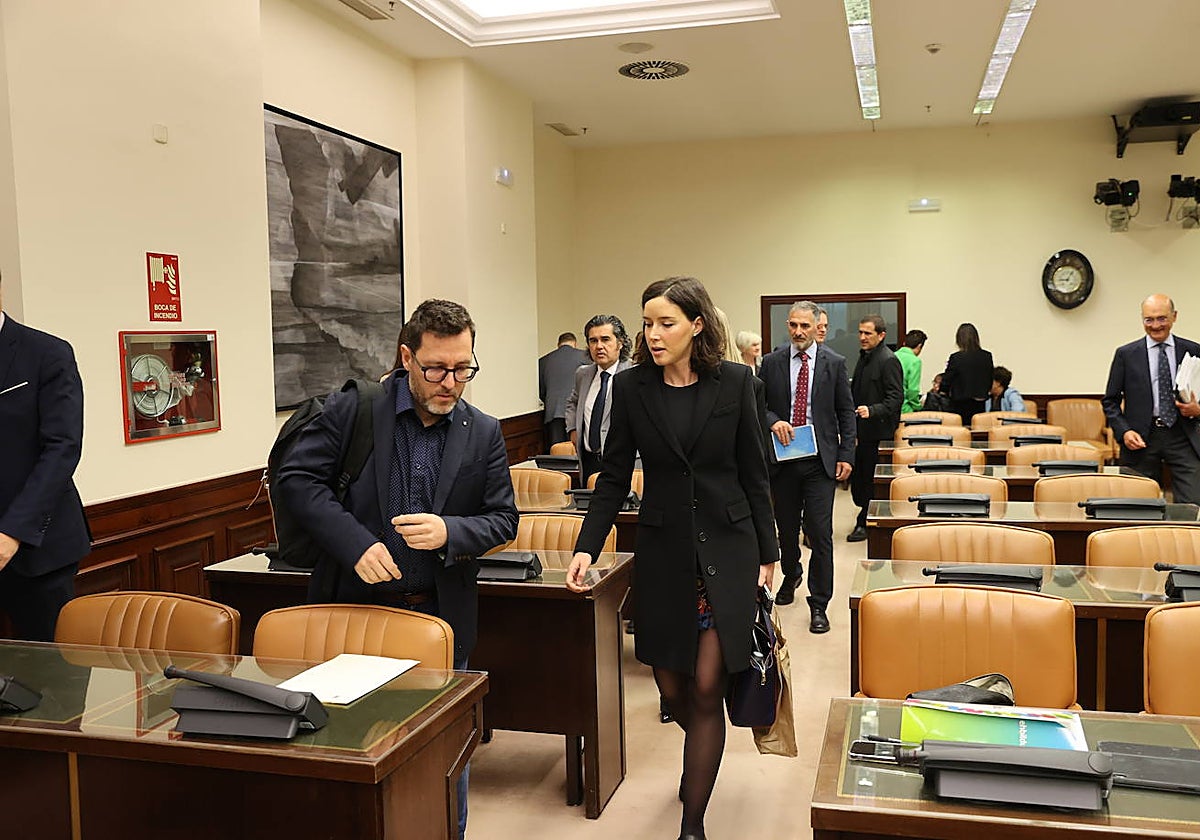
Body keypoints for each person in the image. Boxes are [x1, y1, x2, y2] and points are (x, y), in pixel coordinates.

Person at [277, 298, 518, 839]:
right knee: (353, 752)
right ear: (406, 356)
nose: (450, 382)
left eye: (464, 368)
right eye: (436, 368)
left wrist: (451, 532)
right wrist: (355, 544)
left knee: (444, 755)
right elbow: (297, 481)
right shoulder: (357, 409)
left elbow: (504, 519)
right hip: (354, 615)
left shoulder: (483, 432)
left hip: (439, 618)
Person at [566, 277, 777, 840]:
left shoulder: (736, 382)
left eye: (666, 323)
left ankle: (691, 824)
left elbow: (755, 473)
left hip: (728, 550)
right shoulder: (633, 387)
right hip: (663, 554)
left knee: (709, 685)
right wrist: (587, 546)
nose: (653, 335)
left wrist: (769, 552)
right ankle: (700, 743)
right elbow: (612, 478)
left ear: (697, 325)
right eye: (648, 323)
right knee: (673, 685)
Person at [0, 278, 90, 642]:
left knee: (58, 682)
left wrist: (12, 532)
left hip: (38, 552)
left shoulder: (46, 353)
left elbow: (62, 448)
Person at [758, 300, 855, 632]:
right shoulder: (771, 362)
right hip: (783, 461)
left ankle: (819, 603)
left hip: (819, 461)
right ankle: (791, 574)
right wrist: (773, 422)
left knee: (819, 532)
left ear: (818, 327)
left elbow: (845, 412)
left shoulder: (834, 363)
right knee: (785, 530)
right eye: (793, 325)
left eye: (805, 326)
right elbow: (759, 406)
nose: (798, 332)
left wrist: (846, 455)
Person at [1102, 293, 1200, 505]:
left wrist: (1197, 409)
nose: (1156, 325)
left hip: (1183, 435)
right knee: (1138, 506)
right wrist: (1124, 431)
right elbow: (1110, 402)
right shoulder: (1126, 354)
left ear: (1174, 316)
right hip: (1140, 439)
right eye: (1149, 319)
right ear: (1142, 319)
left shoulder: (1193, 351)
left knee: (1194, 505)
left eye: (1162, 318)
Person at [847, 316, 903, 542]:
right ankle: (863, 515)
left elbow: (896, 397)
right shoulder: (865, 357)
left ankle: (866, 521)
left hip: (879, 433)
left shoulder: (888, 360)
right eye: (860, 332)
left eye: (867, 333)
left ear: (881, 335)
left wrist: (873, 410)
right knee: (860, 479)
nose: (862, 337)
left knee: (870, 481)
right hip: (863, 430)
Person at [565, 314, 634, 481]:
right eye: (593, 341)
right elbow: (572, 402)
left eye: (605, 339)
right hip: (588, 460)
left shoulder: (634, 374)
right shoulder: (583, 374)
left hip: (622, 463)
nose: (599, 346)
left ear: (620, 343)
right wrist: (573, 429)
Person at [538, 331, 588, 446]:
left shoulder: (543, 361)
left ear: (558, 344)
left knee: (558, 453)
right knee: (578, 451)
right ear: (575, 343)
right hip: (578, 412)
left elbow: (541, 391)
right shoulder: (585, 357)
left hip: (553, 413)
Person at [941, 322, 994, 424]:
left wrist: (944, 390)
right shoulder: (987, 356)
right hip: (980, 401)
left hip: (959, 402)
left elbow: (946, 381)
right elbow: (989, 378)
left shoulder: (956, 358)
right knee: (977, 427)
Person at [895, 329, 926, 414]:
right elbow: (912, 390)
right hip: (905, 408)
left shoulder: (892, 356)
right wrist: (918, 406)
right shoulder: (915, 361)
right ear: (919, 346)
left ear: (904, 343)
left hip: (890, 407)